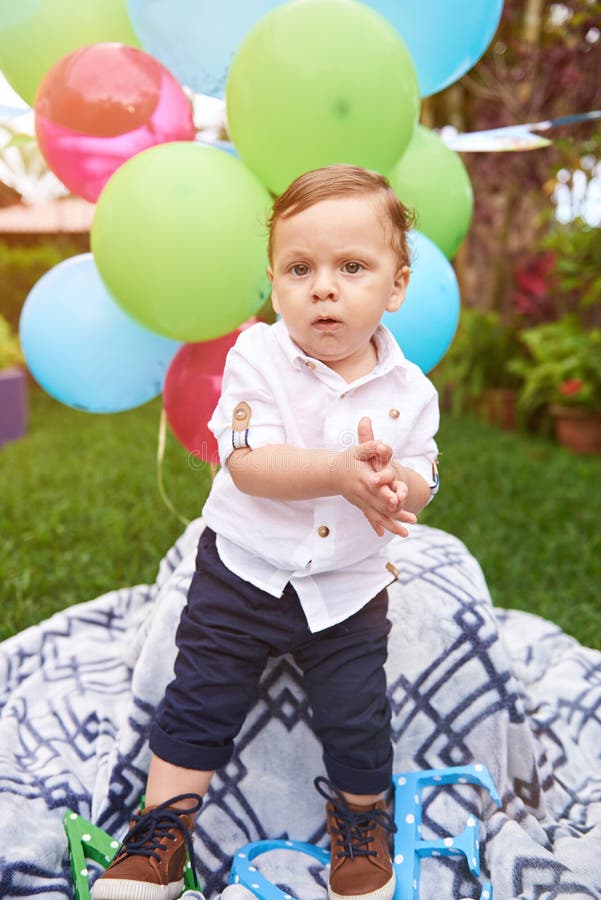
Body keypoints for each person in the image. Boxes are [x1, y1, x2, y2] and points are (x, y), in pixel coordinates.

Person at [92, 164, 440, 900]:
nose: (322, 287)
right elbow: (249, 465)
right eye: (298, 267)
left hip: (346, 589)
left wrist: (392, 484)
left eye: (351, 267)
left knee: (356, 714)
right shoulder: (256, 356)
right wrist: (341, 473)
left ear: (396, 285)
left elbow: (423, 477)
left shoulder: (410, 392)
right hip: (242, 572)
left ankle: (358, 823)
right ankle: (161, 834)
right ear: (274, 282)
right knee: (200, 696)